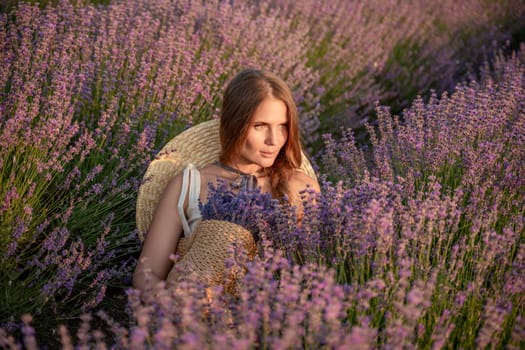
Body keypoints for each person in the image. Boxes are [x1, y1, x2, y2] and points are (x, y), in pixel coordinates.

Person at [132, 69, 321, 292]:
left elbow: (315, 271)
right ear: (234, 124)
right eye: (259, 126)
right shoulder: (189, 185)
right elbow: (147, 275)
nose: (274, 140)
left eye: (283, 126)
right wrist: (180, 308)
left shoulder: (301, 188)